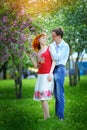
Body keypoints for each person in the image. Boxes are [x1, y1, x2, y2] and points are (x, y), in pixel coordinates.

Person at [28, 33, 55, 120]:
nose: (45, 39)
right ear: (39, 40)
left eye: (45, 38)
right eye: (43, 38)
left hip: (47, 75)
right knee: (41, 98)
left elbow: (54, 61)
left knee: (43, 98)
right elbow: (37, 66)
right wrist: (31, 57)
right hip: (40, 76)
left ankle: (47, 118)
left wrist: (51, 73)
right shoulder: (38, 52)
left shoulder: (49, 48)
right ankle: (45, 117)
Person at [50, 27, 70, 121]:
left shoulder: (65, 46)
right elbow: (52, 58)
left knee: (60, 93)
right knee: (55, 93)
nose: (52, 38)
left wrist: (52, 49)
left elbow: (56, 57)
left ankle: (61, 116)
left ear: (59, 36)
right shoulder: (52, 45)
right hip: (53, 68)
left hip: (60, 69)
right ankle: (57, 115)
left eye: (53, 36)